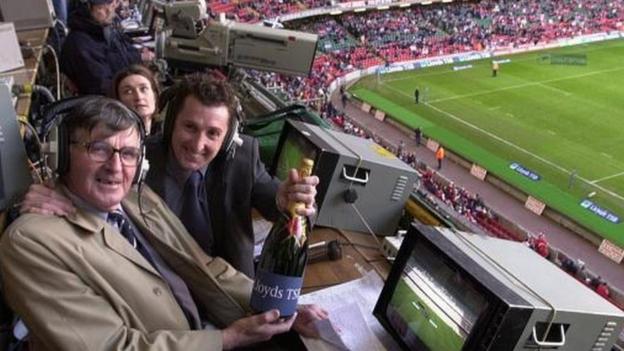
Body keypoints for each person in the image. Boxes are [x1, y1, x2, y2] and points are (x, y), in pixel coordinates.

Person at [0, 97, 327, 350]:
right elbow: (110, 346)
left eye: (128, 153)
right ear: (61, 156)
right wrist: (226, 340)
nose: (116, 167)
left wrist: (282, 308)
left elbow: (207, 268)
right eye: (99, 148)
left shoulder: (136, 198)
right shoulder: (32, 241)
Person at [20, 73, 319, 278]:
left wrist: (288, 201)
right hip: (169, 291)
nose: (198, 144)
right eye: (190, 127)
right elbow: (89, 187)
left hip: (232, 288)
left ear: (228, 138)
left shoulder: (242, 156)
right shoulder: (134, 159)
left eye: (213, 133)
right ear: (172, 121)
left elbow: (274, 200)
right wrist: (54, 191)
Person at [61, 0, 154, 95]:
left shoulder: (101, 30)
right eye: (103, 6)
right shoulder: (80, 45)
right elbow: (102, 89)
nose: (111, 9)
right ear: (87, 8)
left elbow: (119, 56)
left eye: (112, 3)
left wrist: (138, 55)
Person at [112, 64, 161, 135]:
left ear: (155, 95)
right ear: (118, 100)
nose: (139, 97)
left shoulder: (169, 134)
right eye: (128, 91)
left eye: (144, 89)